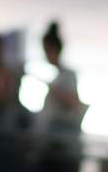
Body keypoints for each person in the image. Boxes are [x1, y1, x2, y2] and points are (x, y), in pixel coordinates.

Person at [35, 22, 83, 172]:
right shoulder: (59, 77)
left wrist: (55, 91)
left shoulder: (67, 76)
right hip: (53, 144)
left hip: (62, 148)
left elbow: (73, 103)